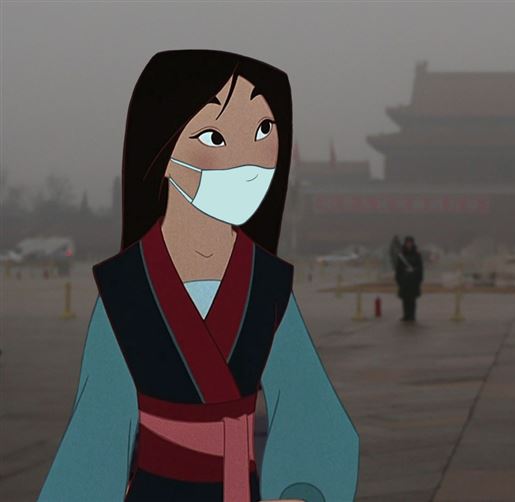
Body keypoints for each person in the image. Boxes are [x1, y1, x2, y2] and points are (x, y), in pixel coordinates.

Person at [38, 50, 358, 502]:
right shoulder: (126, 289)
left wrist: (300, 491)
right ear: (164, 151)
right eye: (215, 137)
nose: (249, 161)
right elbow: (97, 434)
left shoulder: (268, 284)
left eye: (264, 131)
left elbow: (312, 412)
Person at [395, 236, 423, 322]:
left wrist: (415, 274)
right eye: (407, 242)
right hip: (404, 281)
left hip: (413, 281)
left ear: (412, 243)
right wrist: (399, 279)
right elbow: (398, 269)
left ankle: (412, 316)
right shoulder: (401, 255)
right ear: (405, 243)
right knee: (405, 299)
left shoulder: (417, 255)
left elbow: (420, 267)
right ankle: (406, 315)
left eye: (410, 242)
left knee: (412, 300)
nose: (409, 244)